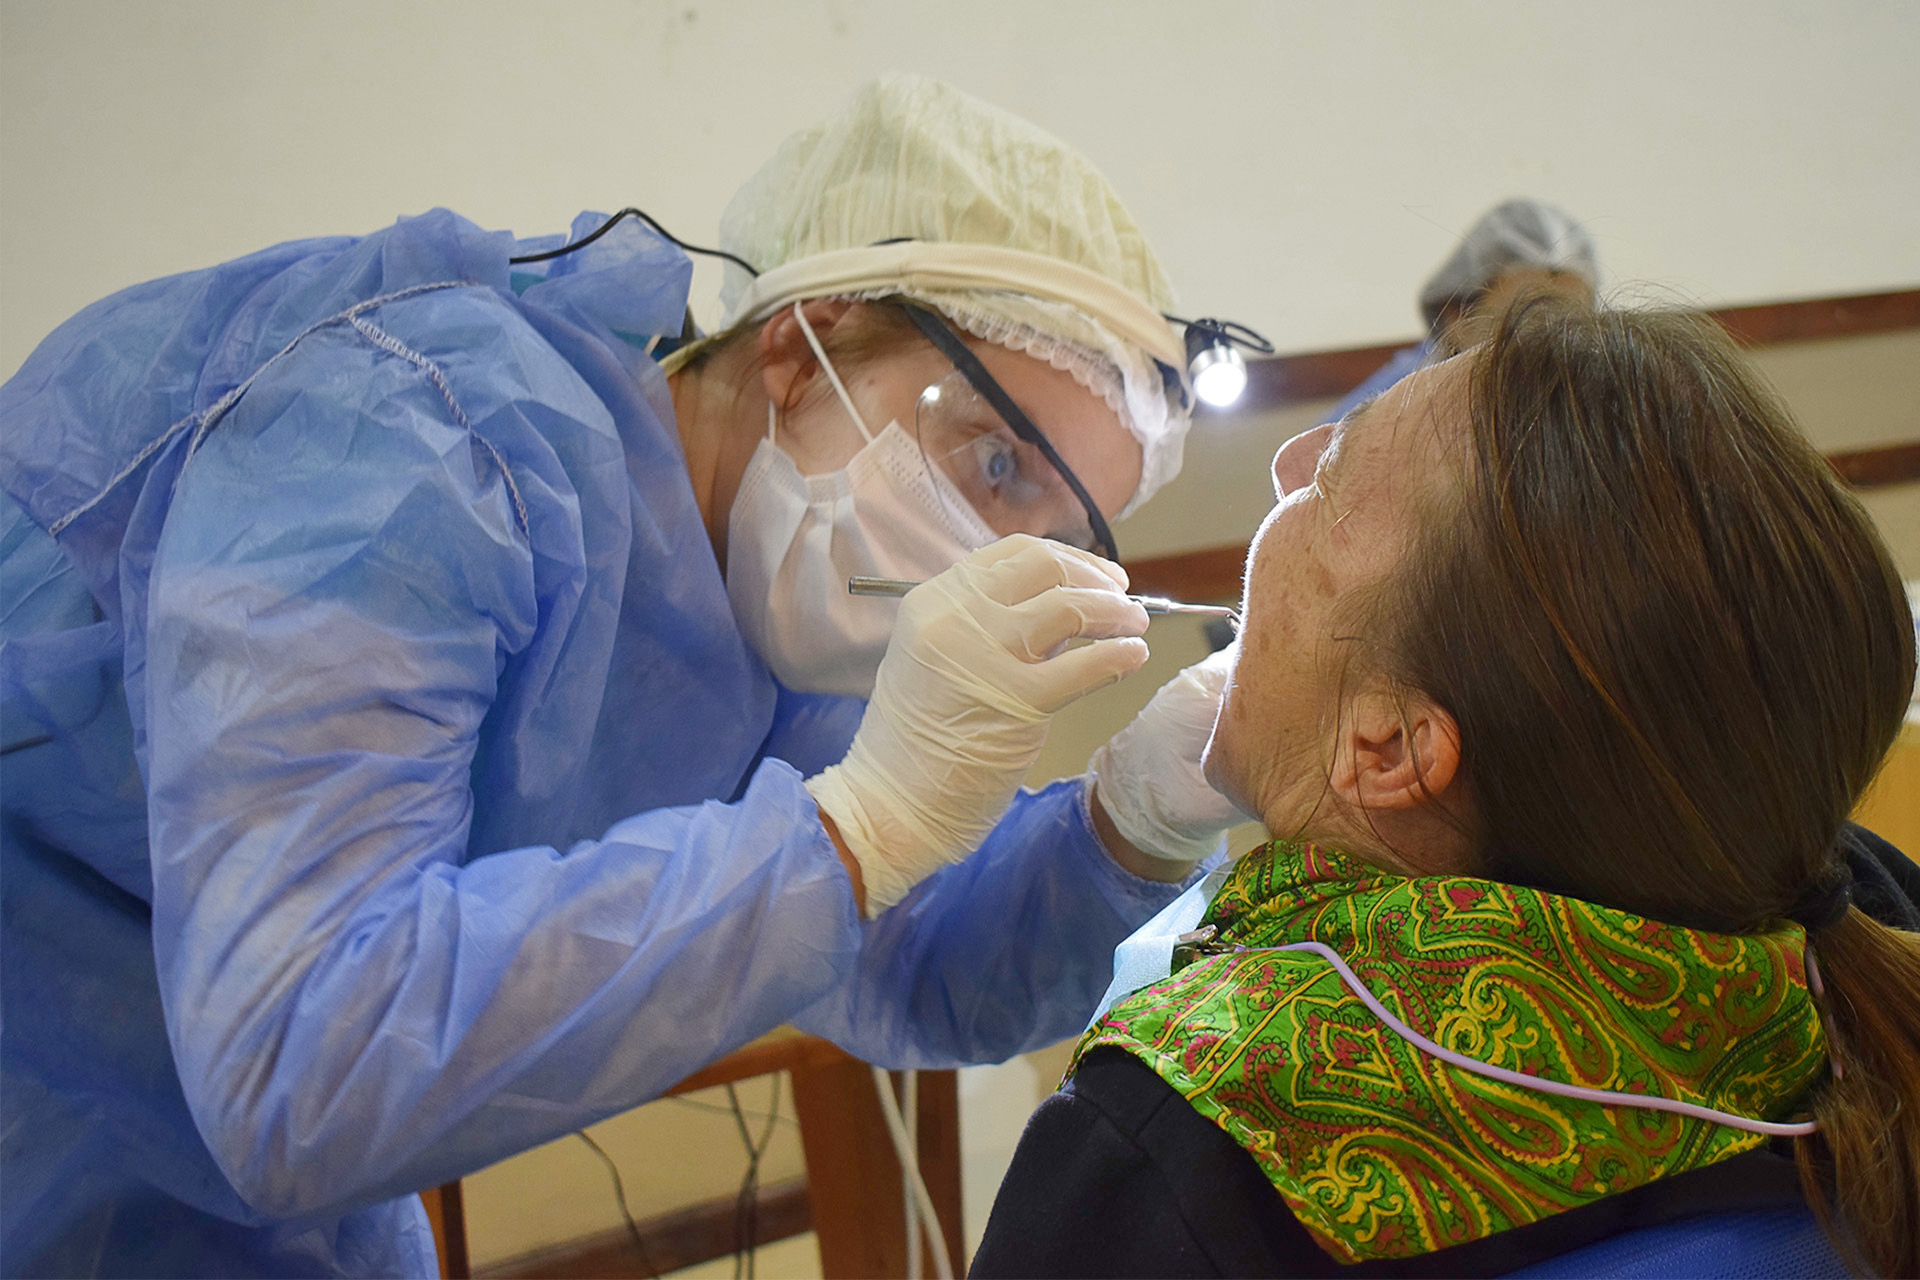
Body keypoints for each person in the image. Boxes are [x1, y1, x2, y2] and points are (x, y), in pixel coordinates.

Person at [0, 75, 1248, 1277]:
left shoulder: (773, 634)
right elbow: (302, 1064)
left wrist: (1133, 815)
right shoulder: (415, 450)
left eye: (1064, 535)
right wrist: (856, 830)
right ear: (799, 351)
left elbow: (920, 965)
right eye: (991, 466)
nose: (1003, 555)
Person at [973, 295, 1920, 1277]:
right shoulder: (1847, 913)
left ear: (1389, 751)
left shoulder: (1175, 1138)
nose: (1287, 460)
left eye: (1331, 482)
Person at [1326, 197, 1600, 423]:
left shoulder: (1587, 406)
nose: (1552, 345)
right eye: (1530, 321)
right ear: (1455, 315)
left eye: (1574, 326)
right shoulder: (1385, 416)